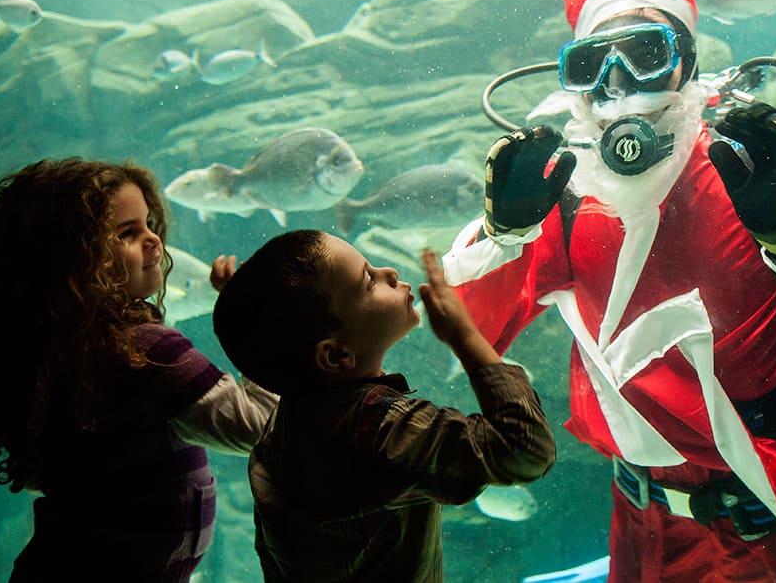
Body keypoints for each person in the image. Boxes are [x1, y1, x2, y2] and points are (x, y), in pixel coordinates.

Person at [442, 0, 776, 581]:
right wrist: (504, 233)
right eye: (590, 65)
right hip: (637, 522)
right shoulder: (565, 193)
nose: (618, 83)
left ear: (687, 59)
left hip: (773, 515)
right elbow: (472, 338)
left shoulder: (763, 167)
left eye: (645, 54)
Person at [211, 230, 556, 582]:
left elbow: (276, 347)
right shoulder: (377, 432)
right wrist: (466, 336)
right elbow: (524, 448)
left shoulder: (292, 420)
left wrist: (251, 313)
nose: (389, 272)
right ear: (335, 354)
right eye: (368, 281)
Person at [0, 158, 278, 582]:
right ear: (72, 257)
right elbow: (259, 427)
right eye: (128, 233)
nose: (155, 242)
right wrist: (249, 324)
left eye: (149, 225)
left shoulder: (61, 349)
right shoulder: (148, 351)